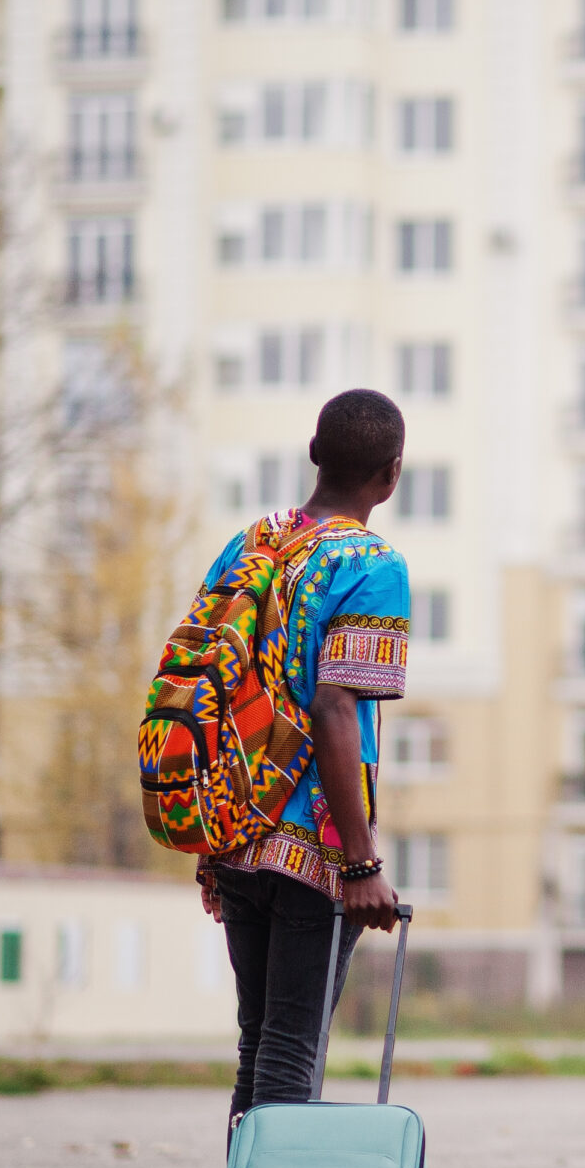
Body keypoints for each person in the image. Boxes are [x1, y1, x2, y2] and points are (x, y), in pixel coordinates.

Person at [197, 389, 408, 1129]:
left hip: (232, 829)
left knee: (258, 1048)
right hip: (314, 847)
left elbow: (212, 683)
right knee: (290, 1050)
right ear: (391, 475)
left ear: (314, 455)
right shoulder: (374, 564)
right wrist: (360, 861)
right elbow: (335, 706)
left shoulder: (250, 543)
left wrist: (213, 838)